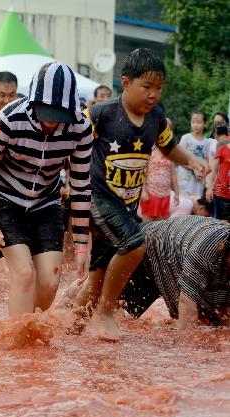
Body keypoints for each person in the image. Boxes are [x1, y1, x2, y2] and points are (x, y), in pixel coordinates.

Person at [76, 48, 208, 341]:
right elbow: (71, 139)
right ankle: (106, 312)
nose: (153, 95)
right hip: (96, 196)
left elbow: (169, 147)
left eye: (159, 88)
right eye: (146, 87)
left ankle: (70, 325)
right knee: (135, 244)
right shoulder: (102, 113)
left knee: (98, 273)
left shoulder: (156, 119)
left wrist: (193, 161)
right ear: (125, 82)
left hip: (125, 205)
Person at [0, 62, 94, 319]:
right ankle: (17, 343)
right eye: (46, 112)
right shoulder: (7, 120)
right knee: (25, 275)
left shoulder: (81, 128)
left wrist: (82, 246)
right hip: (6, 199)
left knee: (50, 283)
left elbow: (81, 186)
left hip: (46, 202)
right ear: (33, 101)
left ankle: (28, 329)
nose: (51, 122)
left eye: (59, 115)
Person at [116, 216, 229, 329]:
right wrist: (188, 343)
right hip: (148, 248)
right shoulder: (203, 252)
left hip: (181, 245)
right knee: (120, 318)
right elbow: (187, 302)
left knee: (217, 322)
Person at [141, 134, 179, 222]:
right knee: (147, 226)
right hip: (150, 193)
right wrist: (143, 191)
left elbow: (173, 173)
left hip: (165, 194)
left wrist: (177, 192)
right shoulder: (148, 150)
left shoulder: (170, 153)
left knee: (161, 226)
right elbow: (141, 172)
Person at [176, 111, 209, 200]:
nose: (195, 125)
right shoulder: (186, 138)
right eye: (193, 122)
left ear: (205, 124)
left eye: (198, 122)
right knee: (184, 202)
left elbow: (206, 161)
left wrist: (202, 171)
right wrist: (194, 168)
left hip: (199, 181)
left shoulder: (207, 142)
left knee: (196, 202)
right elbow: (179, 159)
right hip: (184, 179)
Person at [206, 123, 230, 220]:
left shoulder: (220, 145)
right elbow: (213, 169)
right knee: (218, 226)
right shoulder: (222, 148)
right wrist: (209, 188)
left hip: (222, 192)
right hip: (221, 194)